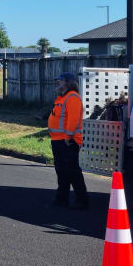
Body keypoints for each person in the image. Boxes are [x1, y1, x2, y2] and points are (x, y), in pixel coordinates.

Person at [48, 72, 88, 209]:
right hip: (58, 141)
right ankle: (62, 199)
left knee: (72, 172)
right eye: (57, 80)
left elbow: (73, 120)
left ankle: (82, 201)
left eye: (60, 80)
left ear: (68, 83)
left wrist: (68, 138)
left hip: (68, 142)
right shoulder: (61, 98)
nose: (57, 82)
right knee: (61, 171)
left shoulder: (73, 98)